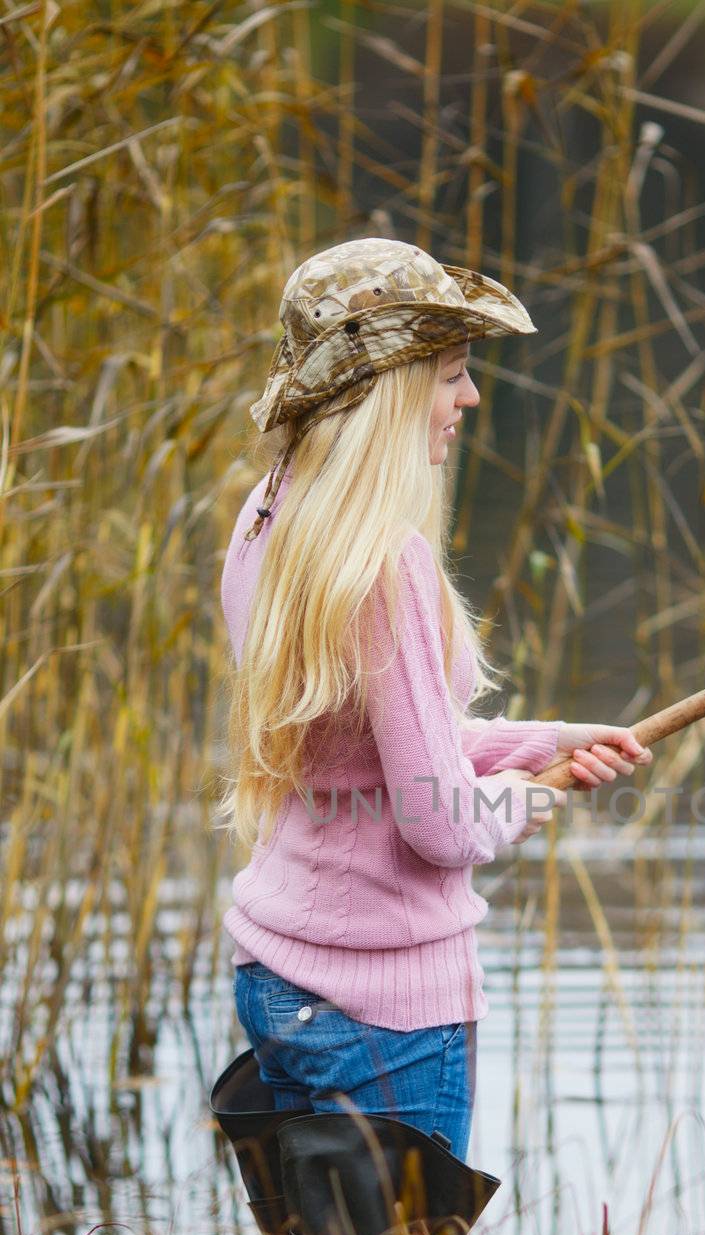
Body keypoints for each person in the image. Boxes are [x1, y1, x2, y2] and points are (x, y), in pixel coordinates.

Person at [216, 238, 653, 1174]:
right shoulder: (385, 562)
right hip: (384, 1008)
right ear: (384, 389)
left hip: (277, 974)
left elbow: (368, 749)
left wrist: (549, 741)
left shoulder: (268, 517)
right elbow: (442, 828)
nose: (470, 397)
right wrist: (542, 794)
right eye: (451, 373)